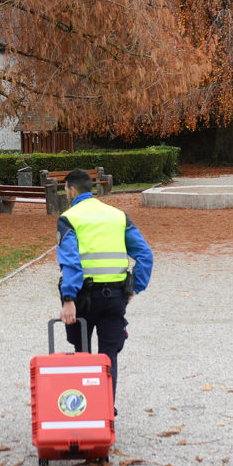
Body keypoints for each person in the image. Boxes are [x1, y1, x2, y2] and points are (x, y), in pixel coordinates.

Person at [56, 168, 153, 403]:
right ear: (91, 188)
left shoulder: (69, 218)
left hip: (83, 299)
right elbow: (145, 255)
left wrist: (68, 300)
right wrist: (135, 288)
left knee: (82, 355)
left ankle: (85, 408)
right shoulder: (118, 215)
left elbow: (70, 263)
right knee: (109, 357)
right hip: (115, 298)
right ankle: (107, 410)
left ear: (70, 189)